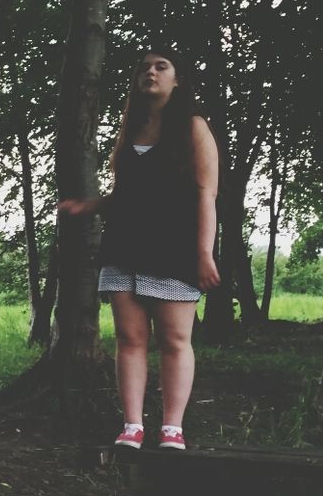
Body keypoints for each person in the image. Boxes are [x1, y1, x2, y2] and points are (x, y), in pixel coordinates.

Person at [58, 48, 220, 451]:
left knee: (174, 339)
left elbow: (206, 193)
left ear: (176, 80)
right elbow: (128, 196)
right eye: (143, 67)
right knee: (130, 339)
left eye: (160, 67)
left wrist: (204, 253)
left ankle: (172, 429)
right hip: (124, 246)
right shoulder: (131, 130)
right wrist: (89, 206)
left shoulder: (193, 127)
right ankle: (132, 426)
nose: (150, 72)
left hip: (175, 248)